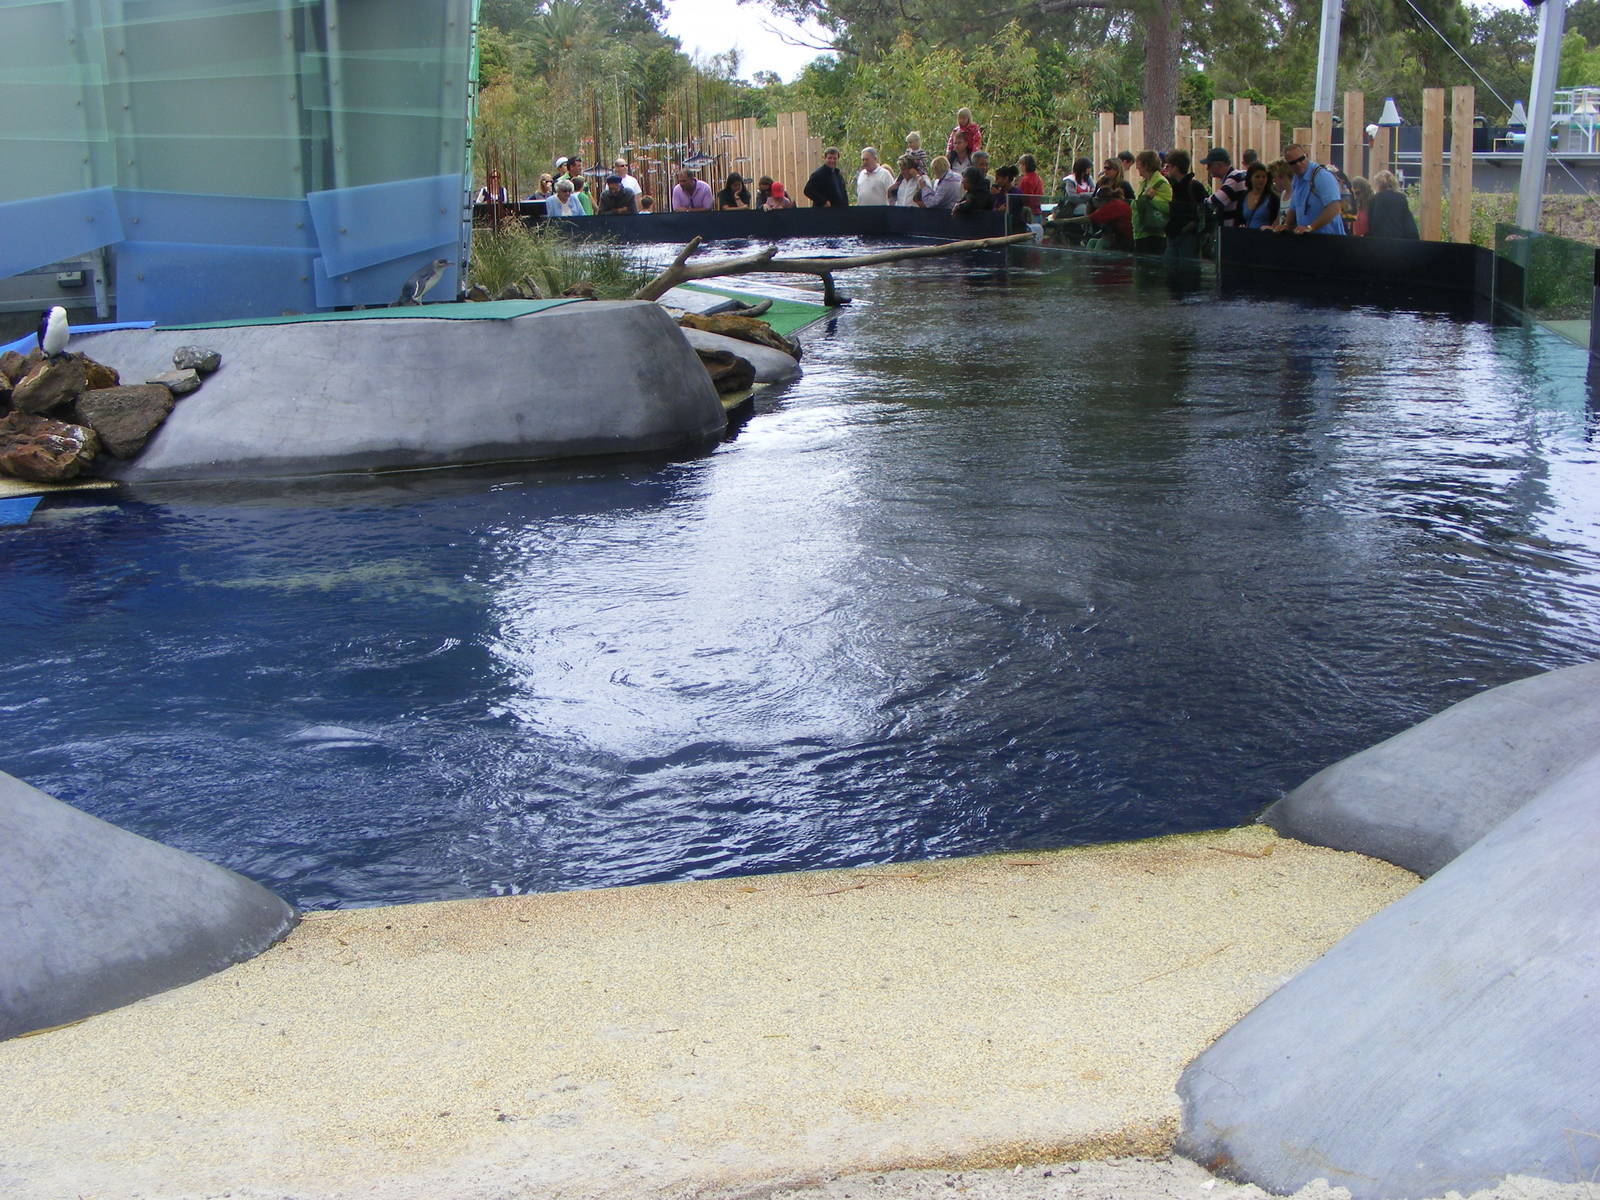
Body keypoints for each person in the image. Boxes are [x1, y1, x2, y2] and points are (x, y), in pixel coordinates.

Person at [1278, 142, 1346, 235]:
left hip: (1330, 239)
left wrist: (1310, 227)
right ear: (1288, 165)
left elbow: (1334, 207)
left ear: (1307, 155)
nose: (1298, 164)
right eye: (1293, 162)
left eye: (1301, 159)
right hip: (1309, 239)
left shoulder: (1322, 176)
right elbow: (1293, 208)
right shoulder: (1296, 179)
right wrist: (1285, 225)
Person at [1162, 149, 1209, 259]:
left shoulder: (1194, 186)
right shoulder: (1175, 185)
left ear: (1176, 168)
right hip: (1174, 233)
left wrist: (1191, 225)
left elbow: (1206, 208)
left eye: (1168, 166)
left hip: (1187, 236)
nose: (1165, 169)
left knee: (1185, 269)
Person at [1131, 149, 1170, 255]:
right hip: (1140, 232)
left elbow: (1168, 206)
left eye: (1139, 165)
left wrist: (1153, 198)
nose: (1137, 168)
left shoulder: (1161, 183)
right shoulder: (1144, 182)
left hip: (1153, 234)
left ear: (1146, 165)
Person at [1200, 148, 1250, 227]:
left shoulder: (1234, 178)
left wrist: (1202, 201)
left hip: (1234, 231)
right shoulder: (1237, 175)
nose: (1207, 169)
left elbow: (1215, 202)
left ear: (1219, 165)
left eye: (1209, 165)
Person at [1366, 171, 1419, 238]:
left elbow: (1372, 223)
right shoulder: (1401, 198)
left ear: (1379, 184)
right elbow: (1408, 223)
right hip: (1398, 241)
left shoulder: (1375, 199)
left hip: (1380, 241)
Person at [1238, 161, 1280, 229]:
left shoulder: (1273, 198)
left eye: (1264, 177)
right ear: (1250, 178)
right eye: (1257, 177)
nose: (1261, 180)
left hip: (1265, 237)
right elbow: (1238, 220)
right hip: (1247, 237)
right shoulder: (1243, 196)